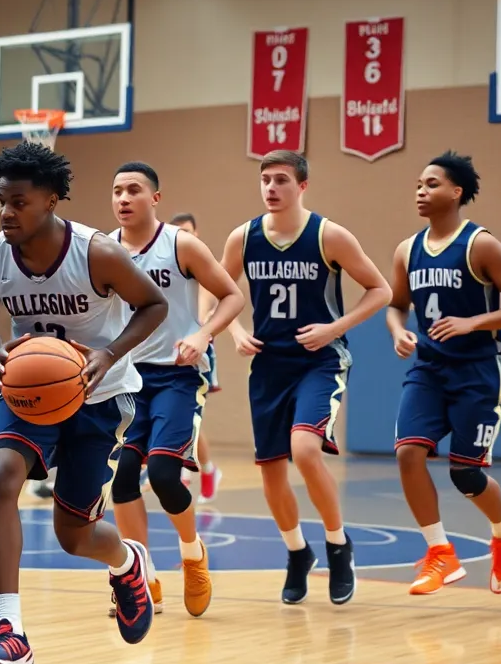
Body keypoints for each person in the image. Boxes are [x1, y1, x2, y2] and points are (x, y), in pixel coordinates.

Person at [0, 141, 168, 664]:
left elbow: (155, 304)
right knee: (0, 476)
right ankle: (11, 634)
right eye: (1, 202)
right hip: (30, 388)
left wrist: (107, 352)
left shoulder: (97, 252)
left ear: (52, 201)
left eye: (20, 203)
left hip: (99, 396)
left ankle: (127, 562)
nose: (7, 212)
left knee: (74, 535)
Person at [220, 150, 391, 606]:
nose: (271, 188)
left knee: (305, 448)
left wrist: (335, 328)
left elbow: (381, 290)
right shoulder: (244, 237)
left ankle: (338, 546)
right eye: (265, 180)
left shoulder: (328, 235)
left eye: (281, 180)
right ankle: (298, 552)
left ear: (302, 186)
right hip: (269, 364)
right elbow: (214, 289)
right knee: (271, 473)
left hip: (321, 360)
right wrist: (234, 330)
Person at [388, 151, 501, 595]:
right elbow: (397, 305)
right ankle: (440, 554)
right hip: (429, 368)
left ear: (456, 192)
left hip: (479, 370)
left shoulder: (481, 245)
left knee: (464, 474)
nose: (421, 191)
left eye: (431, 184)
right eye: (418, 184)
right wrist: (399, 331)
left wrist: (473, 322)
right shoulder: (407, 249)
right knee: (407, 453)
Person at [107, 164, 244, 619]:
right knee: (123, 481)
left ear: (155, 198)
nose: (124, 198)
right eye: (117, 191)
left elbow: (232, 296)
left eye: (133, 190)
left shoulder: (180, 244)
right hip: (124, 380)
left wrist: (204, 334)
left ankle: (193, 556)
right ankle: (140, 579)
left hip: (176, 375)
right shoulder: (103, 251)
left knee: (164, 475)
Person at [169, 212, 225, 502]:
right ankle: (205, 468)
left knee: (190, 414)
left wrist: (199, 325)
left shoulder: (202, 265)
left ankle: (187, 467)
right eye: (178, 231)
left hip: (197, 350)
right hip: (167, 350)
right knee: (185, 415)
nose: (185, 236)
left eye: (188, 231)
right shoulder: (166, 266)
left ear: (197, 233)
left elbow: (205, 305)